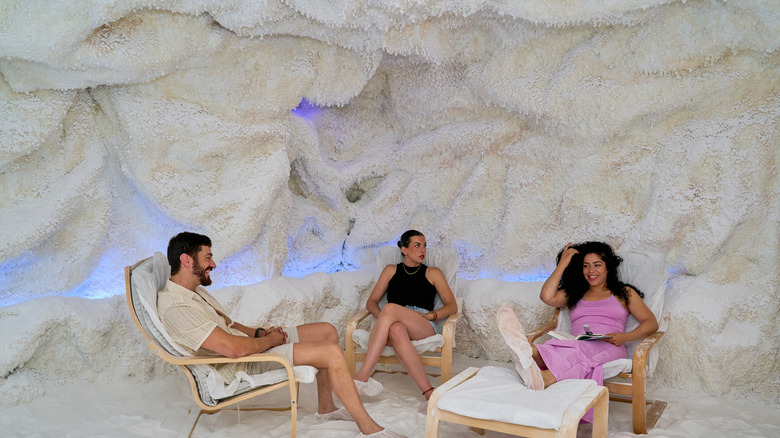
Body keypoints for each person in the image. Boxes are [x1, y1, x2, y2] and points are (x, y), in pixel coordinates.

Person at [157, 232, 405, 438]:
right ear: (187, 261)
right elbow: (235, 350)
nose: (213, 264)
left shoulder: (193, 291)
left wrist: (259, 332)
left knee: (327, 331)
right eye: (208, 257)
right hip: (242, 364)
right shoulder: (177, 307)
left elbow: (230, 324)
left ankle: (326, 409)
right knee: (331, 352)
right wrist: (268, 341)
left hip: (250, 345)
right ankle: (369, 428)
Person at [497, 241, 658, 397]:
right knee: (566, 347)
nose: (591, 270)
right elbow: (547, 296)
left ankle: (538, 367)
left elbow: (651, 323)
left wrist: (625, 337)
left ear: (608, 267)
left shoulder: (624, 293)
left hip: (609, 346)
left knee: (580, 350)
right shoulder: (575, 293)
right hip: (576, 343)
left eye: (597, 264)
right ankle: (528, 352)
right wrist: (563, 264)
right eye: (585, 266)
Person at [353, 230, 458, 408]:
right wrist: (386, 318)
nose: (422, 249)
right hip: (394, 322)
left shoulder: (433, 273)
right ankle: (429, 394)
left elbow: (452, 306)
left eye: (424, 245)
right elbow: (371, 302)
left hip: (422, 323)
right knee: (395, 329)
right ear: (404, 249)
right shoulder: (390, 270)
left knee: (390, 308)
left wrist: (431, 315)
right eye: (417, 245)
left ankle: (362, 376)